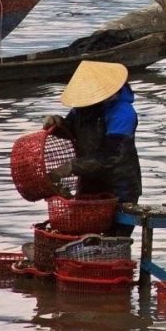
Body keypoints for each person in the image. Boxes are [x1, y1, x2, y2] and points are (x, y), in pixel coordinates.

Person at [43, 60, 142, 230]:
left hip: (120, 188)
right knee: (81, 235)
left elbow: (111, 156)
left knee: (113, 240)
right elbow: (72, 129)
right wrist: (58, 124)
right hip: (89, 184)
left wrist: (71, 167)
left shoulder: (122, 112)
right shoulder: (83, 109)